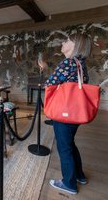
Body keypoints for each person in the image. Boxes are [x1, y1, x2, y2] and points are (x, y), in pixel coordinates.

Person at [44, 33, 93, 195]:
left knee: (64, 147)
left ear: (75, 45)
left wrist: (46, 72)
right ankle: (79, 175)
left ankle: (68, 184)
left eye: (68, 40)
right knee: (70, 143)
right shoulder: (80, 63)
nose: (63, 42)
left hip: (65, 112)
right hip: (75, 112)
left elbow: (50, 83)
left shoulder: (68, 62)